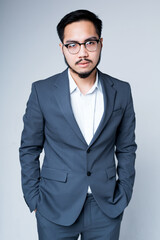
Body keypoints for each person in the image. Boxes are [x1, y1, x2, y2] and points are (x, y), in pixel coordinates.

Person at [19, 9, 137, 240]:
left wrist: (124, 193)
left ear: (100, 43)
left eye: (89, 43)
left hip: (106, 207)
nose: (82, 52)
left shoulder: (121, 91)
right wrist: (33, 199)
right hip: (54, 206)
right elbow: (29, 148)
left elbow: (126, 148)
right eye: (72, 45)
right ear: (62, 48)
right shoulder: (42, 91)